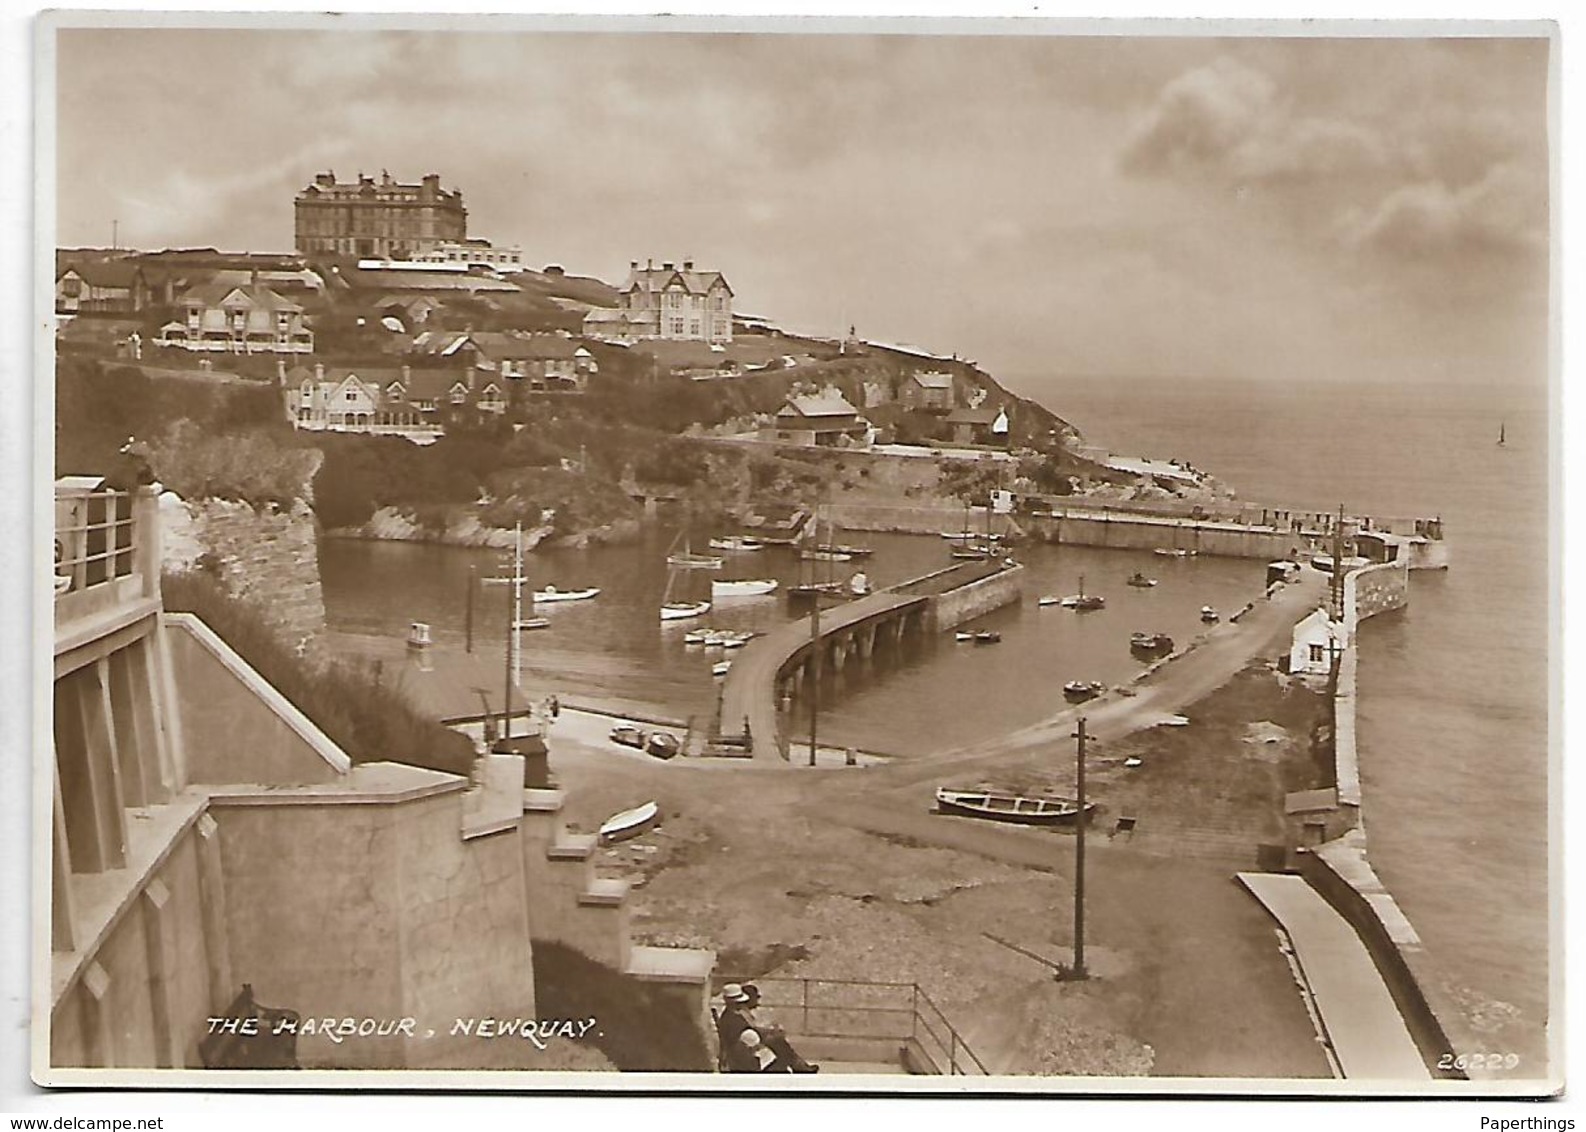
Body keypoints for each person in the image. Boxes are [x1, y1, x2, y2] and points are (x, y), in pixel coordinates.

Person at [720, 984, 818, 1073]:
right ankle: (799, 1066)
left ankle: (798, 1065)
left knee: (777, 1043)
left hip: (748, 1054)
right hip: (745, 1059)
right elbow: (747, 1036)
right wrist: (769, 1036)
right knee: (777, 1043)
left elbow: (750, 1030)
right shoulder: (731, 1019)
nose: (742, 1004)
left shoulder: (733, 1016)